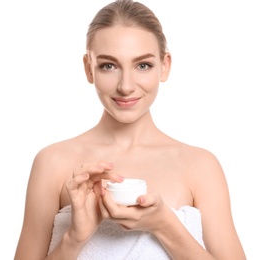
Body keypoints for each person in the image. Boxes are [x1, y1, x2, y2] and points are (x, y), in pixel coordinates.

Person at [14, 0, 246, 259]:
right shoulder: (52, 162)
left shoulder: (201, 166)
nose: (126, 86)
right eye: (108, 65)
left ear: (164, 65)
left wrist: (164, 225)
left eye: (143, 65)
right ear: (89, 68)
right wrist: (74, 238)